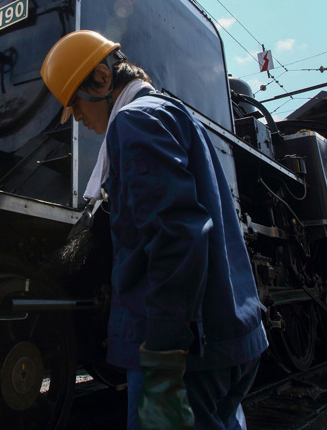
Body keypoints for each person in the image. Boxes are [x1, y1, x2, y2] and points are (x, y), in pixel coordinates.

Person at [41, 30, 267, 430]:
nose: (76, 116)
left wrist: (163, 349)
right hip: (218, 338)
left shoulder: (134, 122)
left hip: (181, 354)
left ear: (102, 78)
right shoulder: (169, 112)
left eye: (75, 101)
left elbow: (176, 235)